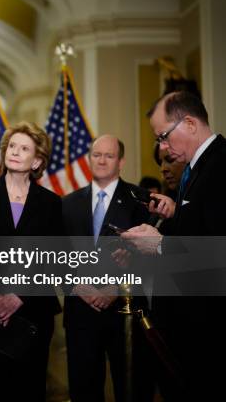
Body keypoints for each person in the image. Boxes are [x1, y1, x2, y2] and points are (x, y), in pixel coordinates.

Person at [122, 91, 226, 400]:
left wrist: (161, 245)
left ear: (191, 123)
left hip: (211, 330)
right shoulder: (196, 171)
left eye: (164, 137)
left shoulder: (220, 166)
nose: (163, 148)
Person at [62, 135, 154, 402]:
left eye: (109, 156)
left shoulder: (141, 201)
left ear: (121, 161)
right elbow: (56, 256)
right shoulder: (68, 204)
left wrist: (115, 289)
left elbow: (150, 258)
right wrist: (78, 287)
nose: (101, 160)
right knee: (83, 389)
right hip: (81, 312)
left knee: (131, 388)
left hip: (124, 312)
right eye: (96, 154)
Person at [0, 122, 62, 401]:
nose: (15, 152)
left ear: (36, 160)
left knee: (29, 389)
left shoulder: (51, 203)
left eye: (24, 148)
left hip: (33, 312)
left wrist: (19, 295)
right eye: (12, 146)